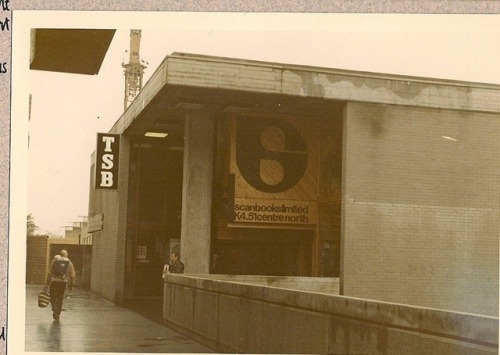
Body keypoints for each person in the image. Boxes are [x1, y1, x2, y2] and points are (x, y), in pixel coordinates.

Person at [46, 249, 76, 320]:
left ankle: (54, 307)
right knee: (60, 298)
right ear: (66, 255)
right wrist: (71, 285)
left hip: (54, 281)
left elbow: (50, 272)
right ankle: (57, 313)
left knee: (52, 296)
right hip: (63, 282)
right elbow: (72, 275)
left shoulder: (54, 261)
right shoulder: (69, 263)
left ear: (60, 254)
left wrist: (47, 283)